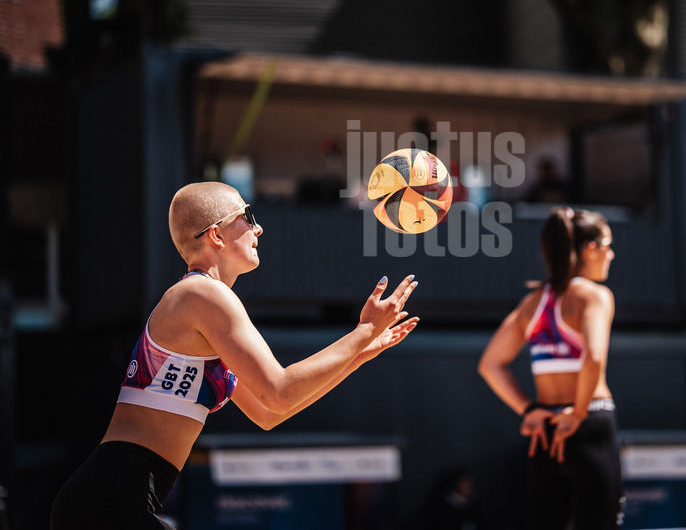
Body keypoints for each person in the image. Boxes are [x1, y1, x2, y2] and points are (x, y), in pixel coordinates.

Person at [50, 181, 420, 529]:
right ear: (216, 235)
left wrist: (357, 355)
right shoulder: (202, 295)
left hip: (112, 496)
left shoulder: (203, 303)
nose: (259, 228)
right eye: (248, 216)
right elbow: (279, 391)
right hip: (110, 496)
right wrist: (364, 330)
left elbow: (269, 413)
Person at [478, 206, 624, 529]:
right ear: (590, 249)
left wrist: (529, 409)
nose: (611, 254)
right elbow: (594, 357)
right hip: (587, 423)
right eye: (608, 245)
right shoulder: (594, 296)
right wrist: (579, 413)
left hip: (545, 427)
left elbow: (490, 364)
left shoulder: (533, 303)